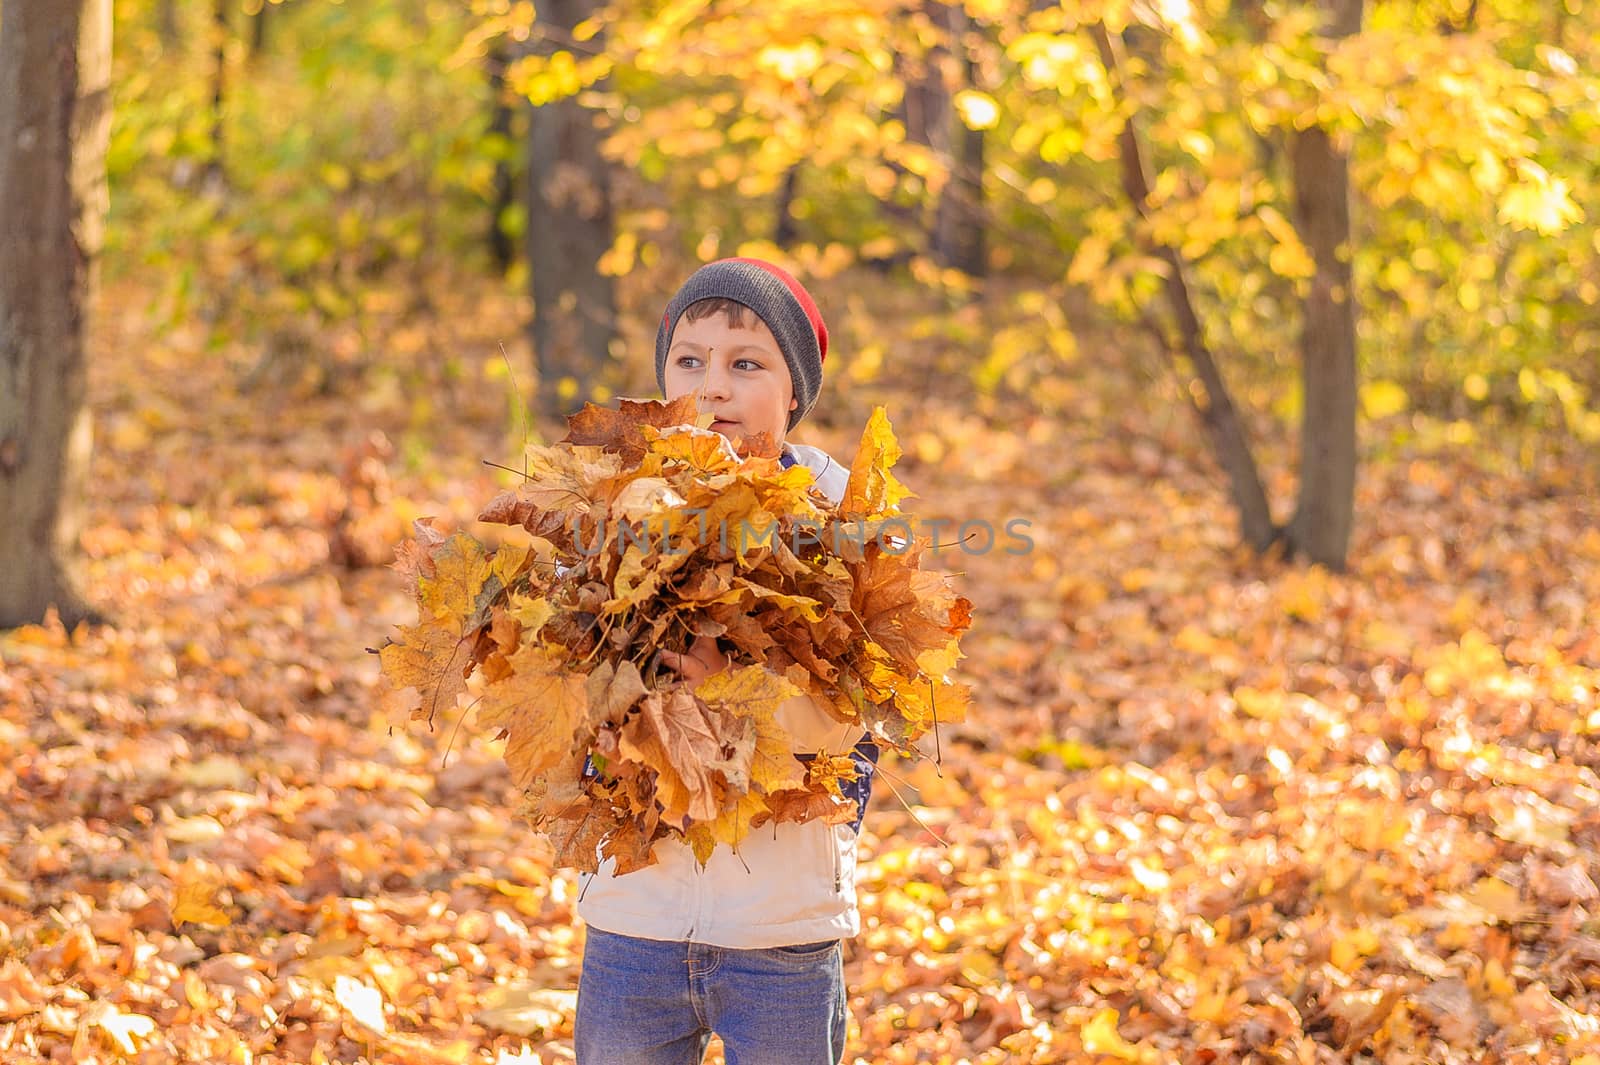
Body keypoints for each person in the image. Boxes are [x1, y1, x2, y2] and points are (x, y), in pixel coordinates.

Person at [572, 257, 880, 1064]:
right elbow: (563, 685)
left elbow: (859, 713)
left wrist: (737, 694)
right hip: (637, 909)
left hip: (778, 921)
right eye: (690, 361)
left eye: (746, 365)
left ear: (794, 395)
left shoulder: (835, 523)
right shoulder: (614, 506)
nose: (713, 387)